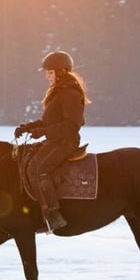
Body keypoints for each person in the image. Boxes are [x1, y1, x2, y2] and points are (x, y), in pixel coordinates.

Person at [14, 50, 90, 233]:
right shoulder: (58, 92)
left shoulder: (69, 94)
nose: (47, 77)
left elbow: (72, 126)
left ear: (62, 72)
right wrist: (28, 127)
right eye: (46, 73)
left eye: (50, 73)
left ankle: (52, 214)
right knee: (26, 160)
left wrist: (42, 132)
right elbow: (50, 121)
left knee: (38, 170)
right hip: (55, 140)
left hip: (65, 142)